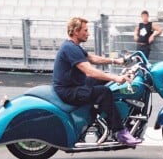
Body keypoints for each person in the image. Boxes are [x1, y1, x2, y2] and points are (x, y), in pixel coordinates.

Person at [53, 17, 142, 146]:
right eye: (85, 30)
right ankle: (120, 132)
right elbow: (89, 71)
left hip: (75, 85)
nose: (88, 33)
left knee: (102, 79)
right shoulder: (70, 48)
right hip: (69, 91)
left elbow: (92, 58)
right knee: (104, 92)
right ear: (76, 32)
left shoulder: (74, 46)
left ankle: (101, 113)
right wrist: (116, 78)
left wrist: (116, 61)